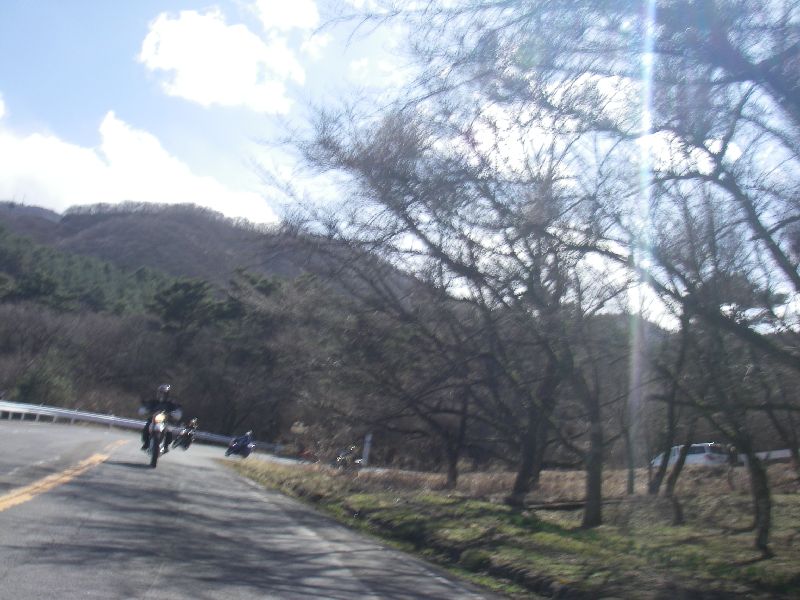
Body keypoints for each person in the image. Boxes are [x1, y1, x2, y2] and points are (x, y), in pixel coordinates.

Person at [140, 383, 182, 451]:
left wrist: (175, 414)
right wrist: (145, 410)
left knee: (169, 431)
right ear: (158, 393)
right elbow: (145, 407)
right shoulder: (153, 401)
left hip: (165, 420)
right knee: (146, 428)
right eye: (160, 392)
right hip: (153, 419)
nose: (162, 395)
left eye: (164, 393)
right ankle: (146, 443)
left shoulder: (171, 403)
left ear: (167, 394)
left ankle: (165, 446)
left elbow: (177, 410)